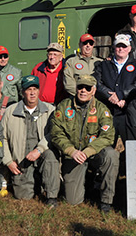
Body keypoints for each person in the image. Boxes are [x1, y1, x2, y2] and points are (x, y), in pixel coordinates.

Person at [50, 74, 119, 213]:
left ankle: (106, 200)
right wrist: (71, 151)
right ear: (76, 89)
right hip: (73, 155)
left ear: (93, 90)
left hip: (94, 153)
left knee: (112, 155)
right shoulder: (64, 106)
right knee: (73, 201)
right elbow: (56, 133)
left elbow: (108, 136)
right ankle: (86, 181)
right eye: (80, 87)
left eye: (87, 88)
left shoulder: (102, 110)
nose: (83, 91)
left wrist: (88, 151)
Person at [0, 75, 60, 207]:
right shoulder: (11, 111)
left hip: (42, 156)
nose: (32, 92)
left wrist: (40, 149)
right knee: (22, 197)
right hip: (22, 161)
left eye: (35, 89)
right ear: (22, 92)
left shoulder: (50, 110)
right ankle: (34, 184)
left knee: (50, 156)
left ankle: (51, 197)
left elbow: (55, 134)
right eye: (28, 89)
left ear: (39, 91)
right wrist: (9, 162)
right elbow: (1, 138)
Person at [94, 34, 136, 144]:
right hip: (107, 112)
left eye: (124, 46)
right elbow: (97, 83)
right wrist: (110, 97)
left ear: (129, 48)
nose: (121, 49)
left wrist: (122, 95)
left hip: (128, 112)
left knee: (131, 146)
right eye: (118, 46)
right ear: (114, 47)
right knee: (106, 146)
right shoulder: (103, 64)